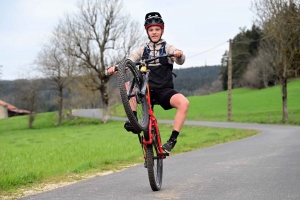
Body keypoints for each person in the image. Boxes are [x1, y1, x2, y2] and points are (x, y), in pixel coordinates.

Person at [107, 12, 189, 153]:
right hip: (145, 90)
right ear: (147, 32)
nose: (154, 32)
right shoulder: (142, 49)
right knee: (128, 85)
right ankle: (133, 120)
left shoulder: (167, 47)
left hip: (164, 90)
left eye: (157, 29)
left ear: (162, 30)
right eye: (151, 30)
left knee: (184, 103)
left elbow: (180, 59)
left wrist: (179, 54)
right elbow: (129, 62)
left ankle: (172, 140)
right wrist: (116, 68)